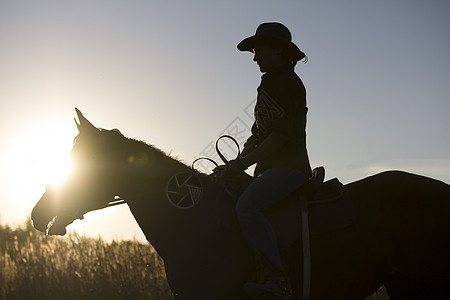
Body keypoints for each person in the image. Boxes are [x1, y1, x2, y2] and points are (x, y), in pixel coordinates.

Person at [223, 22, 312, 298]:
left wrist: (242, 165)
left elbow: (280, 137)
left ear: (277, 51)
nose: (255, 56)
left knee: (247, 207)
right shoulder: (270, 84)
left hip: (289, 168)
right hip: (270, 168)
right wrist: (234, 163)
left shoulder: (288, 83)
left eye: (259, 49)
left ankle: (277, 279)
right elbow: (259, 135)